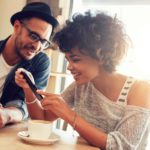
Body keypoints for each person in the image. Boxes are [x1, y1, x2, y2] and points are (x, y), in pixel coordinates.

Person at [15, 11, 150, 150]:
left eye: (75, 59)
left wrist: (68, 115)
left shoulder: (140, 90)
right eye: (67, 59)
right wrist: (28, 88)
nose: (69, 67)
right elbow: (42, 118)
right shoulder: (81, 86)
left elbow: (122, 146)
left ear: (101, 55)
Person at [0, 2, 58, 128]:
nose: (37, 47)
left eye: (43, 42)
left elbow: (25, 103)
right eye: (33, 36)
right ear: (16, 27)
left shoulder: (41, 62)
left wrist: (6, 114)